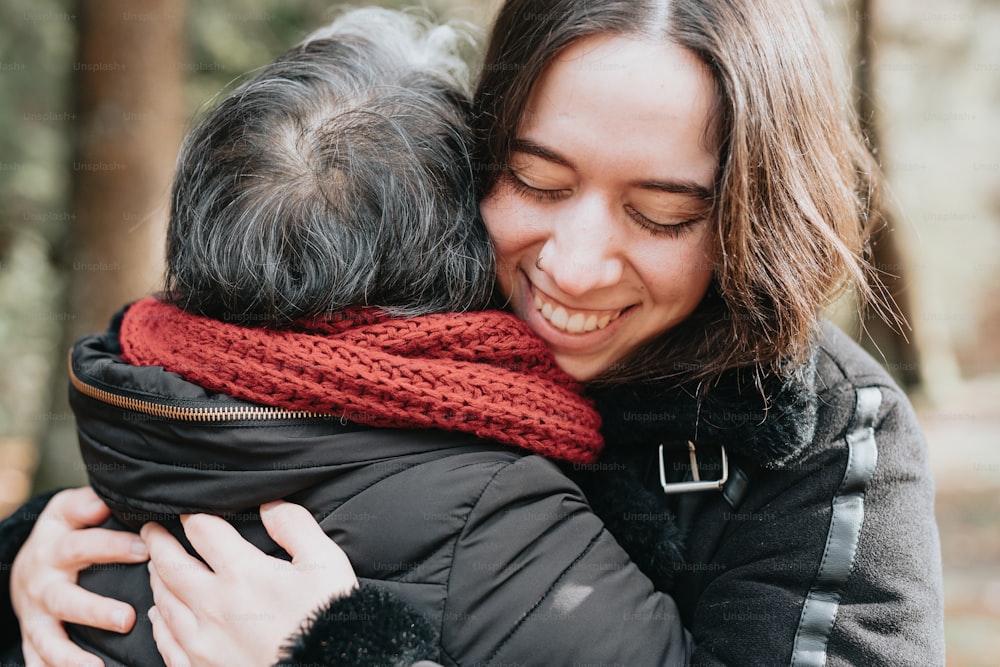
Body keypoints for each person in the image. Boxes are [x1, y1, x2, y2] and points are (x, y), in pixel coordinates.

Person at [2, 0, 946, 665]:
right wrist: (35, 559)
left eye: (661, 213)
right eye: (536, 181)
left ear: (752, 215)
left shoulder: (827, 432)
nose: (572, 267)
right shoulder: (414, 305)